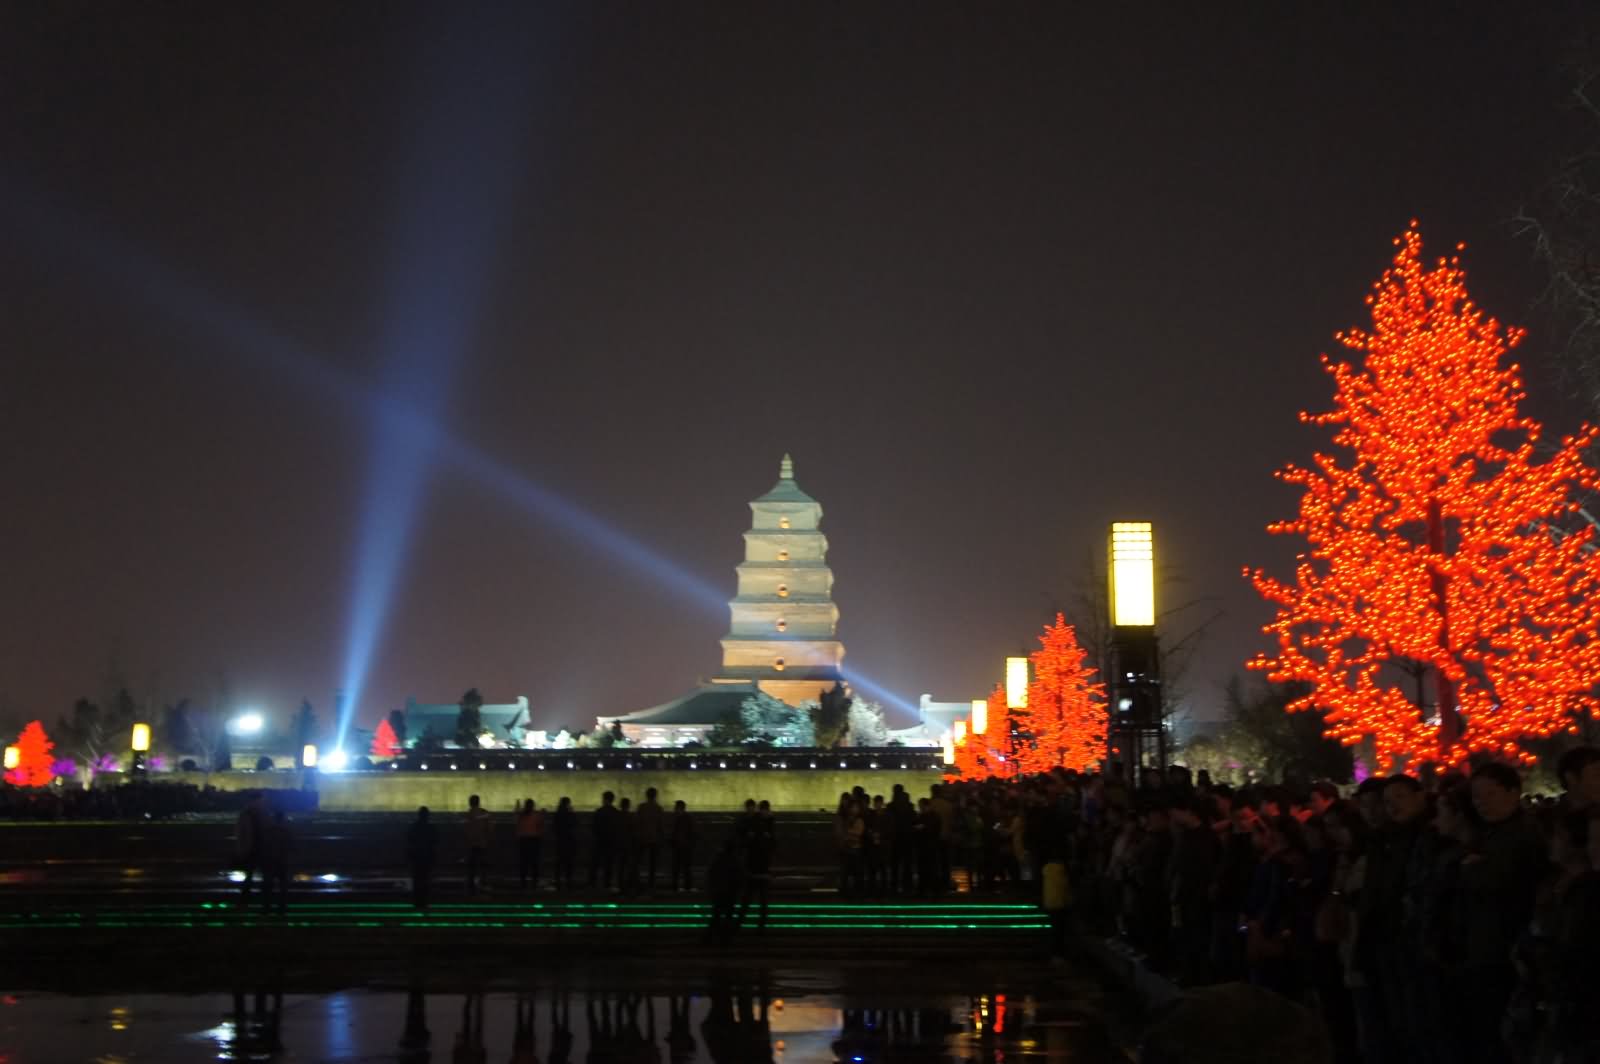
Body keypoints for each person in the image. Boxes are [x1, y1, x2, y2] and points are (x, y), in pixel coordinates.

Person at [1459, 762, 1548, 1064]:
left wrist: (1474, 871)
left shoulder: (1525, 835)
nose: (1483, 803)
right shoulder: (1486, 834)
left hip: (1507, 948)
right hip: (1485, 947)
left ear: (1513, 793)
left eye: (1490, 794)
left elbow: (1499, 882)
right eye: (1477, 797)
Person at [704, 838, 743, 946]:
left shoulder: (718, 859)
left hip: (719, 892)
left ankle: (709, 938)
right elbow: (739, 878)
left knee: (716, 916)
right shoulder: (735, 861)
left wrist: (711, 889)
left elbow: (711, 875)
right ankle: (724, 938)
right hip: (729, 893)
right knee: (727, 917)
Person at [234, 794, 266, 907]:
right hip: (256, 849)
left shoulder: (247, 814)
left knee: (250, 876)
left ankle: (245, 900)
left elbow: (240, 833)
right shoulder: (259, 814)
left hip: (255, 848)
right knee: (255, 876)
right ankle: (260, 901)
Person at [260, 809, 291, 915]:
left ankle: (266, 908)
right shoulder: (286, 831)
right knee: (283, 887)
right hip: (282, 861)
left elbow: (263, 846)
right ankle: (282, 908)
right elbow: (291, 847)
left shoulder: (268, 831)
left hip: (270, 861)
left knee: (268, 886)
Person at [407, 806, 438, 910]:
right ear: (427, 816)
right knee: (426, 880)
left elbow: (409, 843)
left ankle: (417, 901)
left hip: (417, 857)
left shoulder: (413, 827)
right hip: (427, 857)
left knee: (417, 880)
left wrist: (410, 856)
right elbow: (435, 843)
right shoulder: (431, 828)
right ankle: (424, 902)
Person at [635, 788, 665, 890]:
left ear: (646, 795)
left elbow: (637, 823)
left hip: (642, 838)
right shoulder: (658, 808)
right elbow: (660, 825)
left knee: (638, 862)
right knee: (652, 864)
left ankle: (637, 882)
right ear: (655, 796)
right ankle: (651, 884)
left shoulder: (641, 807)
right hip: (654, 838)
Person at [463, 794, 492, 895]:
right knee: (482, 866)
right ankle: (482, 884)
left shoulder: (468, 814)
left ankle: (471, 886)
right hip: (482, 843)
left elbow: (466, 830)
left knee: (471, 866)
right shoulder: (485, 813)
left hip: (471, 844)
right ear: (478, 802)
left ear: (470, 803)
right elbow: (489, 828)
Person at [591, 791, 619, 890]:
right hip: (611, 841)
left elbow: (594, 827)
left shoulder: (599, 811)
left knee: (596, 863)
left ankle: (593, 884)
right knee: (609, 864)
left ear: (605, 799)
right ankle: (607, 884)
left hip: (600, 841)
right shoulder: (615, 812)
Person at [515, 798, 544, 891]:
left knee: (524, 863)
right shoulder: (536, 815)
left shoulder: (521, 815)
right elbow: (540, 826)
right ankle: (534, 882)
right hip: (534, 840)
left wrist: (518, 804)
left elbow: (516, 812)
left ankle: (523, 882)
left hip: (523, 840)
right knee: (534, 863)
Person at [668, 799, 695, 891]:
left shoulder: (676, 818)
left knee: (677, 867)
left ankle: (675, 886)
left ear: (679, 808)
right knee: (686, 867)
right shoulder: (688, 818)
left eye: (675, 807)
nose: (674, 809)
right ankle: (687, 886)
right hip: (685, 846)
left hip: (679, 845)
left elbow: (674, 832)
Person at [553, 796, 578, 891]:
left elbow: (554, 827)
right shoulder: (570, 814)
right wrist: (572, 812)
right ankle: (568, 881)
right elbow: (576, 823)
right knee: (569, 862)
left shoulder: (558, 813)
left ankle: (558, 881)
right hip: (569, 840)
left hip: (560, 840)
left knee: (559, 862)